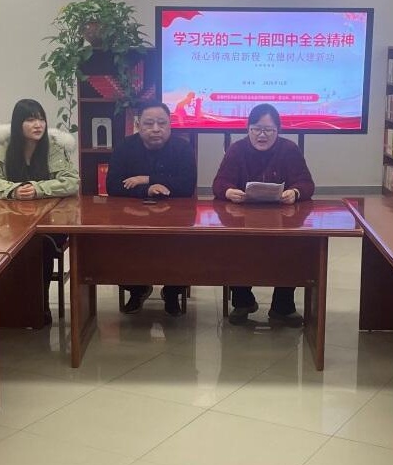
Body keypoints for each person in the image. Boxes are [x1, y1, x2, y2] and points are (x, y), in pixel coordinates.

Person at [0, 98, 79, 324]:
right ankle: (9, 310)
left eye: (41, 119)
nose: (38, 125)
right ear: (18, 123)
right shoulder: (4, 146)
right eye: (31, 120)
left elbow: (71, 182)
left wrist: (38, 189)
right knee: (1, 245)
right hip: (12, 219)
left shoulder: (53, 146)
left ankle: (39, 306)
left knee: (41, 245)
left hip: (51, 220)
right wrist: (12, 190)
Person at [213, 103, 315, 325]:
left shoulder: (289, 149)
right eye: (256, 129)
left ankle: (282, 307)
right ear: (248, 129)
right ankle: (242, 302)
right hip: (242, 218)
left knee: (294, 247)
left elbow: (307, 184)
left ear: (278, 131)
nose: (262, 135)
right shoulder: (237, 150)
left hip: (282, 219)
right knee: (234, 246)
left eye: (269, 130)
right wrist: (229, 191)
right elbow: (219, 183)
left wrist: (294, 192)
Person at [106, 101, 198, 316]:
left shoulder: (182, 148)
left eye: (161, 123)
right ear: (138, 125)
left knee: (183, 246)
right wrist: (147, 190)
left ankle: (172, 293)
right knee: (120, 245)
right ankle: (137, 290)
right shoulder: (125, 147)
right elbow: (113, 186)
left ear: (170, 125)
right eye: (149, 123)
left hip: (175, 218)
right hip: (133, 216)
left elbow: (187, 186)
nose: (156, 129)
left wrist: (146, 178)